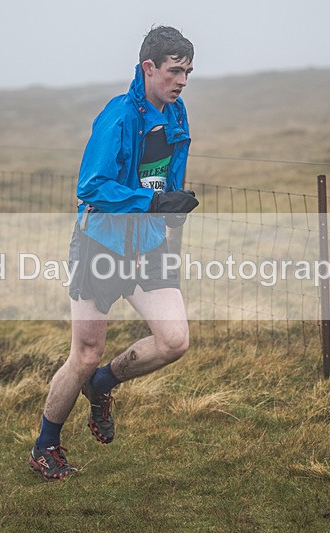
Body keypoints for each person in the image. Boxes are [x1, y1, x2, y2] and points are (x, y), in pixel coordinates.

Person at [29, 25, 199, 481]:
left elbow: (166, 177)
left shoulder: (177, 113)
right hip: (100, 246)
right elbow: (91, 187)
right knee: (84, 354)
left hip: (148, 245)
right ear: (149, 67)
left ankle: (103, 384)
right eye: (174, 71)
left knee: (174, 341)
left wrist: (172, 205)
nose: (182, 81)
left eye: (187, 72)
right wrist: (152, 202)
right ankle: (45, 445)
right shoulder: (118, 116)